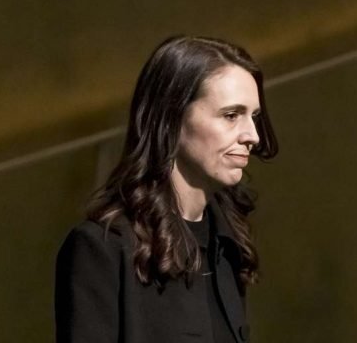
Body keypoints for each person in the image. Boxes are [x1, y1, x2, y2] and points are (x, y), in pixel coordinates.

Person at [55, 35, 278, 343]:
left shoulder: (227, 245)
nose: (252, 135)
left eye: (253, 117)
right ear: (172, 117)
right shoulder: (103, 248)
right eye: (231, 115)